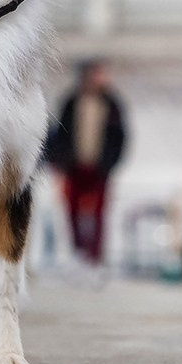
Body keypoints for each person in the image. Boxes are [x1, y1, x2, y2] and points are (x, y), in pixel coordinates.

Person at [46, 61, 128, 266]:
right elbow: (60, 135)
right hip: (74, 167)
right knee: (72, 211)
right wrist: (61, 162)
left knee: (99, 213)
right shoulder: (72, 102)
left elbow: (120, 137)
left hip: (99, 169)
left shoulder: (112, 105)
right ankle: (78, 253)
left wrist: (110, 163)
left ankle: (95, 256)